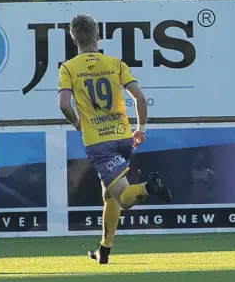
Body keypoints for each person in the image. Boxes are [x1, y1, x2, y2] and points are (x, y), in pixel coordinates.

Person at [58, 14, 171, 264]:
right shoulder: (115, 64)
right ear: (97, 36)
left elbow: (64, 104)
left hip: (99, 143)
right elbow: (140, 98)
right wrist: (140, 129)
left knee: (124, 198)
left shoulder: (68, 68)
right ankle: (104, 250)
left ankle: (148, 187)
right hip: (122, 137)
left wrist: (77, 122)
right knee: (109, 194)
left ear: (73, 39)